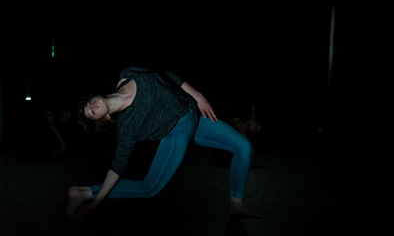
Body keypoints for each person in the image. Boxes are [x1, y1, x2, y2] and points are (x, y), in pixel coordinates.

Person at [66, 67, 261, 220]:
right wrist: (97, 200)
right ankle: (84, 192)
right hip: (176, 133)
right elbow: (118, 166)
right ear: (105, 118)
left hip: (194, 115)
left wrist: (198, 96)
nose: (90, 107)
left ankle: (236, 203)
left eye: (88, 104)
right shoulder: (127, 125)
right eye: (91, 113)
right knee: (149, 188)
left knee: (242, 147)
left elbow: (165, 74)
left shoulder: (128, 73)